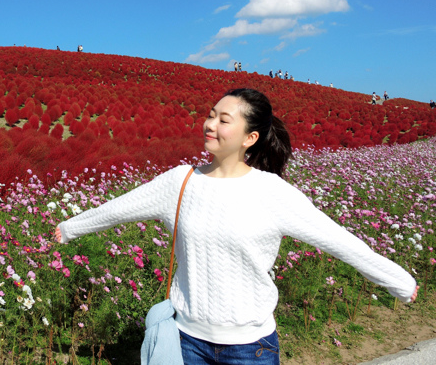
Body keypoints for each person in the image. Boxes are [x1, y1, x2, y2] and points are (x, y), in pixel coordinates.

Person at [55, 88, 418, 364]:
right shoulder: (180, 182)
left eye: (224, 119)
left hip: (250, 348)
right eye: (211, 115)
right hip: (185, 341)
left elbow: (338, 240)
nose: (210, 124)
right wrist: (70, 228)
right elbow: (121, 207)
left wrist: (398, 281)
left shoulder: (273, 192)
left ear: (250, 138)